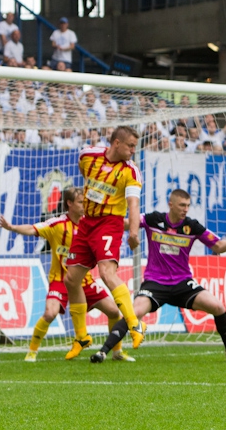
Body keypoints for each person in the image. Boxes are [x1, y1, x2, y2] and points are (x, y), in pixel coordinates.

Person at [89, 189, 226, 363]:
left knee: (218, 307)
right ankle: (102, 353)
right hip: (155, 283)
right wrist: (102, 220)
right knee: (134, 312)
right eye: (182, 205)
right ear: (171, 204)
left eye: (188, 206)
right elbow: (129, 223)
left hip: (183, 283)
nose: (185, 209)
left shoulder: (192, 226)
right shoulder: (153, 219)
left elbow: (218, 246)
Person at [0, 188, 134, 362]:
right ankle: (32, 352)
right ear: (69, 203)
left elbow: (116, 225)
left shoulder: (90, 224)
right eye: (80, 202)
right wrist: (11, 227)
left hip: (84, 281)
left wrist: (136, 223)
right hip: (60, 281)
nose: (84, 206)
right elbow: (32, 229)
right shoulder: (57, 225)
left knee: (114, 311)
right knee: (50, 313)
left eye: (86, 202)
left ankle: (117, 352)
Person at [63, 126, 145, 359]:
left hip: (109, 223)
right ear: (116, 143)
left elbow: (133, 204)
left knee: (107, 273)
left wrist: (133, 232)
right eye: (130, 146)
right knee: (71, 279)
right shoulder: (88, 155)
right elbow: (86, 175)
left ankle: (134, 323)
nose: (133, 150)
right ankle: (81, 336)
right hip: (87, 223)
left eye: (135, 146)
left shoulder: (131, 171)